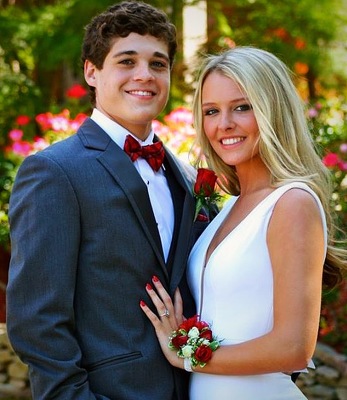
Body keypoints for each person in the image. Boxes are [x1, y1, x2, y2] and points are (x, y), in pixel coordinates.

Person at [6, 2, 204, 399]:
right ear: (92, 72)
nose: (144, 76)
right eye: (126, 61)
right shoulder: (54, 172)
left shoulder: (185, 176)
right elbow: (37, 319)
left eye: (158, 64)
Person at [140, 46, 347, 399]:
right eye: (211, 111)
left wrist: (186, 356)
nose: (224, 125)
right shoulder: (229, 207)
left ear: (272, 110)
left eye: (242, 107)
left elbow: (294, 347)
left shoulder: (292, 202)